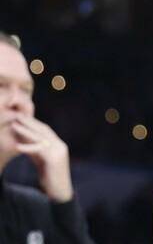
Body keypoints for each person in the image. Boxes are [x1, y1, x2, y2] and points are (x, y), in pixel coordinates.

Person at [0, 32, 95, 244]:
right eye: (1, 85)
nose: (19, 102)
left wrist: (64, 200)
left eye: (26, 90)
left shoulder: (33, 211)